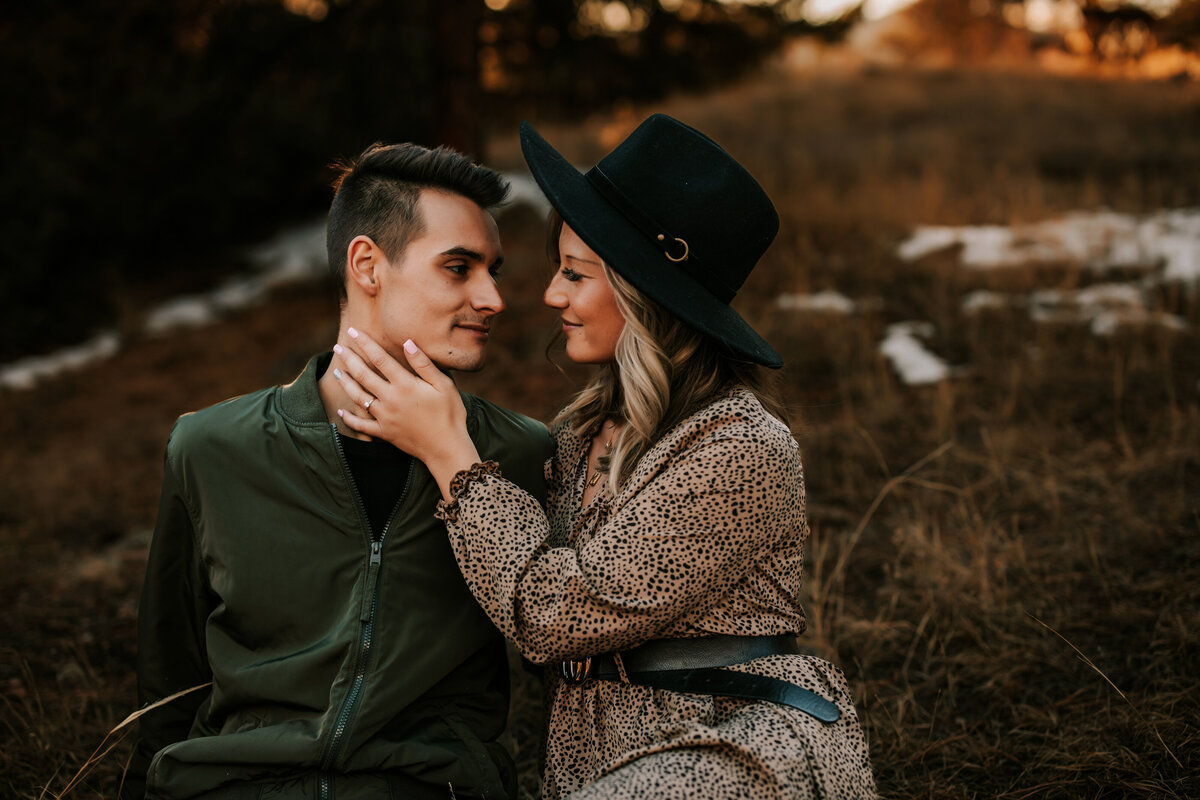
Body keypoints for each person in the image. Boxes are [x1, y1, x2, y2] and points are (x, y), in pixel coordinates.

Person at [331, 114, 877, 798]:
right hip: (593, 749)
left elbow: (556, 615)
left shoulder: (741, 449)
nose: (549, 294)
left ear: (641, 293)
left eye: (574, 274)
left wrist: (454, 459)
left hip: (731, 738)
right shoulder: (578, 431)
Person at [130, 142, 554, 800]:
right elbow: (167, 689)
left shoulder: (520, 455)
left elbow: (567, 659)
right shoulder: (212, 448)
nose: (493, 298)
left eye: (492, 271)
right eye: (459, 268)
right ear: (367, 265)